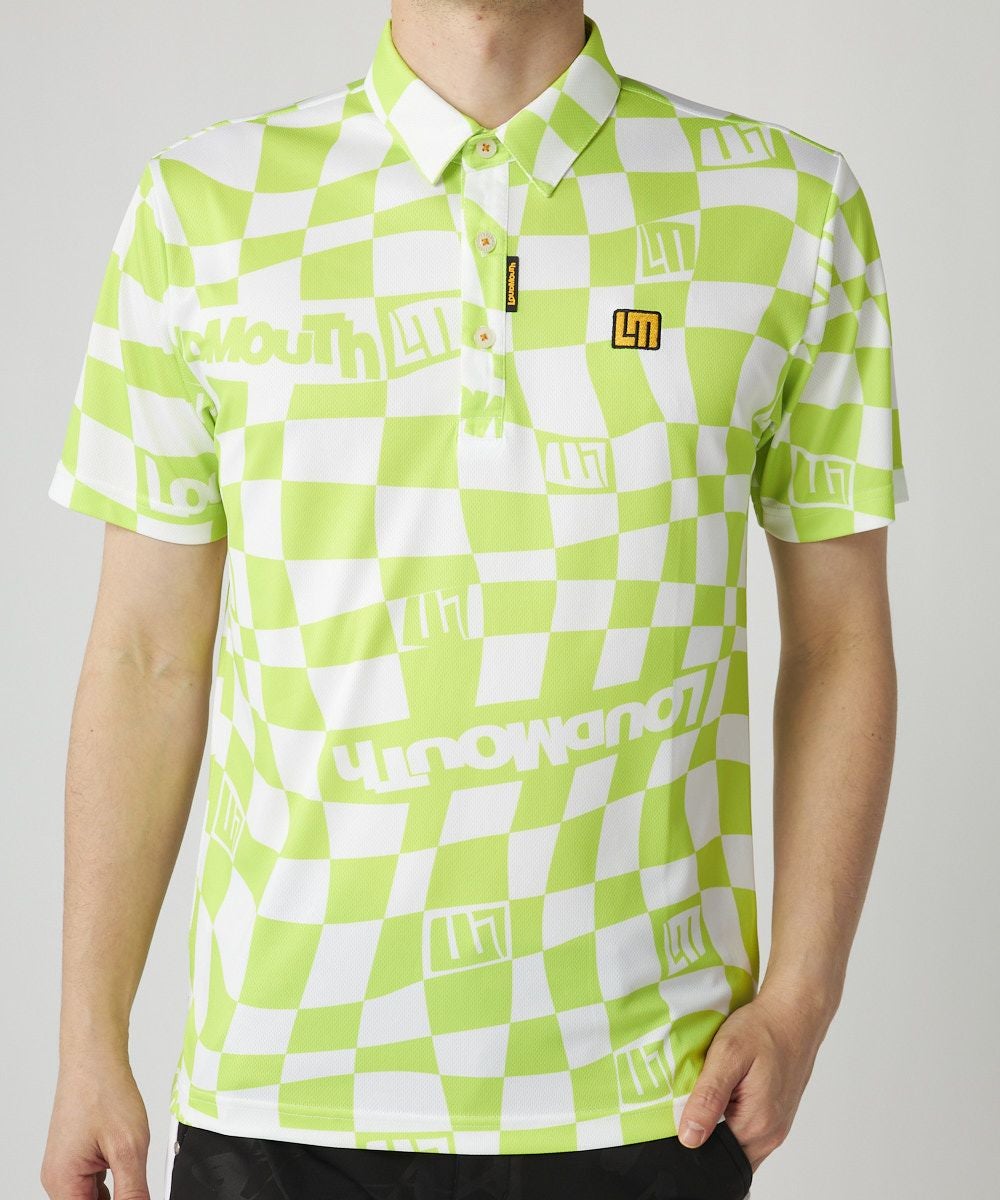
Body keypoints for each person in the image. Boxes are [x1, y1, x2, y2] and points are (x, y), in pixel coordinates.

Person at [40, 1, 908, 1197]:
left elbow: (839, 637)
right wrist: (88, 1035)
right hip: (282, 1086)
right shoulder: (201, 209)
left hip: (651, 1092)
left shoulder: (788, 207)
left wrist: (802, 996)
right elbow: (146, 653)